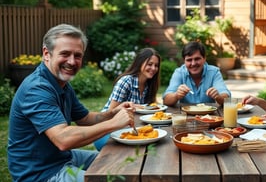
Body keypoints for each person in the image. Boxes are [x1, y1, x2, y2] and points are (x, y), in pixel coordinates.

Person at [7, 24, 135, 182]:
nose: (72, 62)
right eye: (65, 54)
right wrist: (114, 123)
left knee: (123, 163)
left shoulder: (62, 83)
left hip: (62, 159)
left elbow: (85, 118)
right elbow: (63, 139)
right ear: (47, 54)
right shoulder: (36, 89)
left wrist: (112, 113)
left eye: (78, 55)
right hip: (40, 174)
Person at [94, 47, 161, 151]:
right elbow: (111, 113)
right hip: (105, 132)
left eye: (156, 65)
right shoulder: (126, 81)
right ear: (140, 63)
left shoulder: (149, 85)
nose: (153, 68)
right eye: (149, 64)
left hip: (128, 129)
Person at [163, 41, 231, 106]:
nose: (193, 63)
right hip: (185, 115)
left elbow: (227, 99)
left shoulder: (214, 72)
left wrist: (218, 96)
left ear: (204, 58)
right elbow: (166, 100)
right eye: (189, 60)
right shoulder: (179, 73)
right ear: (184, 61)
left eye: (197, 59)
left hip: (209, 116)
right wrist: (176, 95)